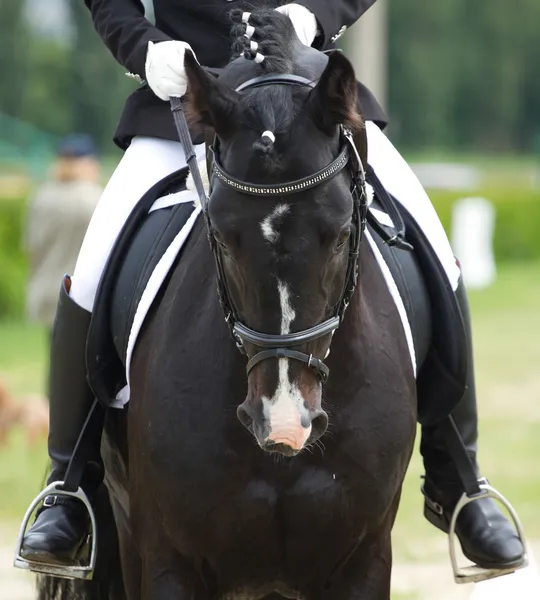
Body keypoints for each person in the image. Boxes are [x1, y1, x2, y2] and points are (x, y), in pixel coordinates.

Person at [19, 0, 524, 574]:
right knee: (90, 270)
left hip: (308, 98)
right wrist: (144, 48)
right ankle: (69, 486)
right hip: (192, 103)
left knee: (437, 252)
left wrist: (312, 15)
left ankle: (461, 479)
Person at [24, 134, 102, 338]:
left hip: (48, 291)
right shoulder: (96, 199)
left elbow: (31, 246)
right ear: (88, 163)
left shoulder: (41, 197)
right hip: (85, 297)